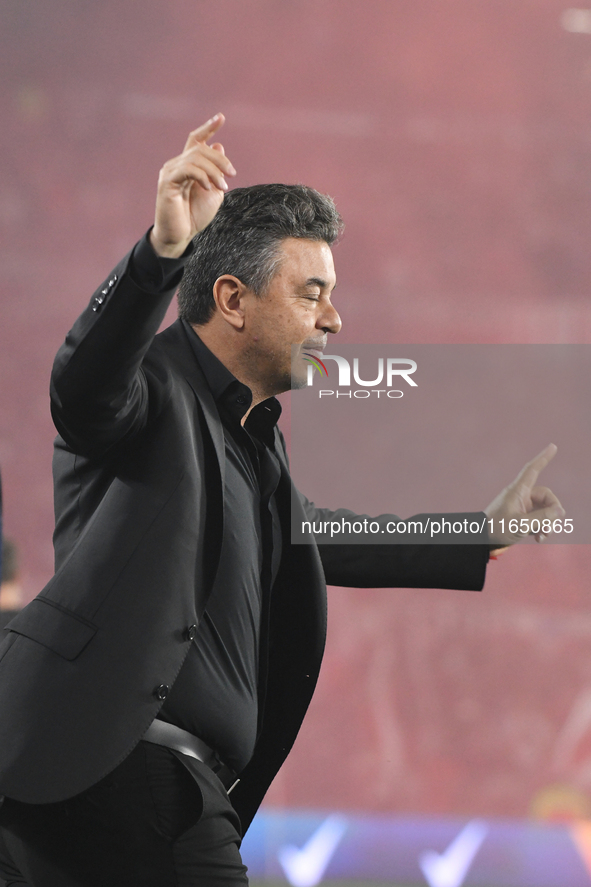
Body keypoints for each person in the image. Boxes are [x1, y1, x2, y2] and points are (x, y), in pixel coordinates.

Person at [0, 114, 563, 887]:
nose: (332, 318)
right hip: (119, 770)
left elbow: (325, 535)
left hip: (128, 782)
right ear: (231, 298)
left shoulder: (254, 442)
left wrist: (479, 531)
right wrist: (159, 252)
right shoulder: (151, 388)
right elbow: (83, 386)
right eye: (312, 293)